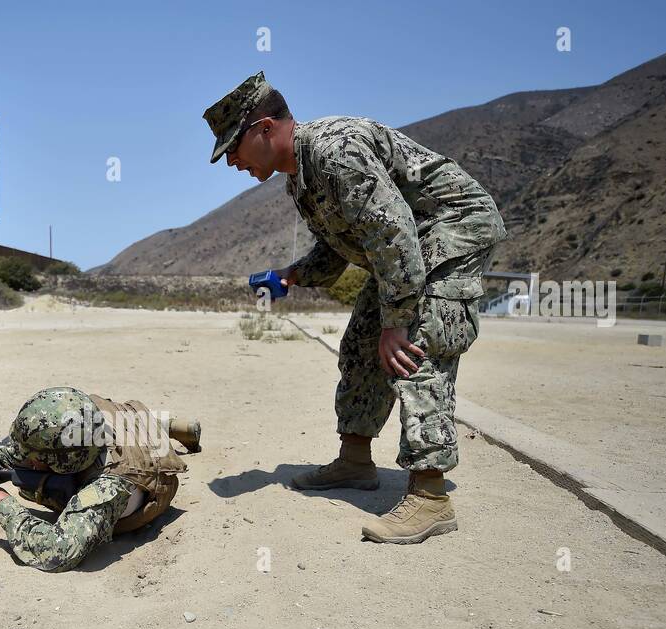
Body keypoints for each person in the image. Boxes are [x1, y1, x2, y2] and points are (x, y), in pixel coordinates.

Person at [203, 72, 506, 543]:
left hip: (450, 228)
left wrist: (399, 321)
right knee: (363, 342)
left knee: (414, 346)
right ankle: (355, 462)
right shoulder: (300, 180)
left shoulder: (334, 151)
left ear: (264, 128)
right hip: (405, 245)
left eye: (233, 149)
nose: (232, 163)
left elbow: (394, 231)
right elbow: (339, 249)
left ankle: (430, 497)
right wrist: (292, 275)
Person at [0, 387, 200, 571]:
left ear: (63, 462)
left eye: (36, 457)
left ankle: (167, 427)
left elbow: (59, 552)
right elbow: (7, 453)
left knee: (138, 432)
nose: (28, 459)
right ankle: (172, 426)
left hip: (145, 477)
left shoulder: (107, 487)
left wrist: (6, 508)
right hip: (115, 421)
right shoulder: (83, 423)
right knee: (127, 419)